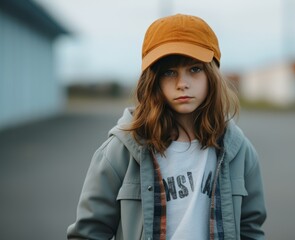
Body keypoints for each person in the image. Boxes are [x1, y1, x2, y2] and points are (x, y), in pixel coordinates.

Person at [67, 13, 266, 240]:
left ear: (212, 74)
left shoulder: (238, 150)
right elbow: (89, 233)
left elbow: (251, 229)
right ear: (153, 80)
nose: (182, 84)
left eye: (195, 69)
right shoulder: (121, 151)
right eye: (169, 72)